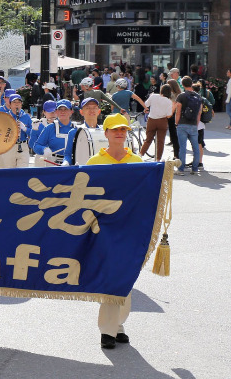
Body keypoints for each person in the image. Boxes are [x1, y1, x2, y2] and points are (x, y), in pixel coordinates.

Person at [86, 112, 141, 350]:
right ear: (106, 133)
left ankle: (118, 325)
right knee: (111, 277)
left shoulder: (139, 163)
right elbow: (85, 198)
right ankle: (107, 330)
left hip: (130, 228)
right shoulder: (94, 163)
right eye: (115, 130)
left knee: (127, 277)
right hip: (104, 228)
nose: (120, 133)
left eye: (124, 130)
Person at [0, 94, 32, 169]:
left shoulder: (26, 116)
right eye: (14, 102)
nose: (17, 104)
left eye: (19, 102)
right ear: (10, 104)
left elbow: (33, 133)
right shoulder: (5, 117)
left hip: (23, 145)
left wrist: (24, 129)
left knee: (22, 171)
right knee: (10, 171)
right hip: (9, 146)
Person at [174, 76, 202, 175]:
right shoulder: (198, 96)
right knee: (196, 147)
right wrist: (196, 124)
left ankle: (181, 169)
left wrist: (177, 123)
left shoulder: (181, 96)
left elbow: (178, 111)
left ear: (183, 84)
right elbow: (199, 113)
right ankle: (195, 168)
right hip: (193, 124)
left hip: (182, 124)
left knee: (183, 148)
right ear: (191, 84)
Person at [140, 84, 173, 161]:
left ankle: (141, 154)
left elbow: (146, 105)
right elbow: (168, 115)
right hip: (162, 121)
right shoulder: (169, 101)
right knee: (160, 141)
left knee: (148, 139)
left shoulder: (153, 96)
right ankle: (158, 159)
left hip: (152, 120)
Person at [30, 100, 57, 167]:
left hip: (56, 158)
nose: (52, 114)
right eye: (49, 112)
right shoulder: (39, 125)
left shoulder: (61, 125)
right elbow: (31, 145)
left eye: (54, 111)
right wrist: (34, 130)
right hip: (41, 158)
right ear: (44, 112)